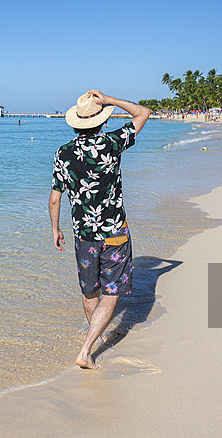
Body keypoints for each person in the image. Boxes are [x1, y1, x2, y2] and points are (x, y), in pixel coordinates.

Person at [48, 90, 151, 369]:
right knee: (112, 291)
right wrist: (111, 100)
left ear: (75, 123)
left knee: (89, 292)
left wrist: (55, 229)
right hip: (115, 231)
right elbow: (143, 112)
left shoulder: (64, 153)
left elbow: (55, 196)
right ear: (102, 121)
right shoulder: (112, 143)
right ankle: (86, 349)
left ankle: (95, 335)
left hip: (83, 236)